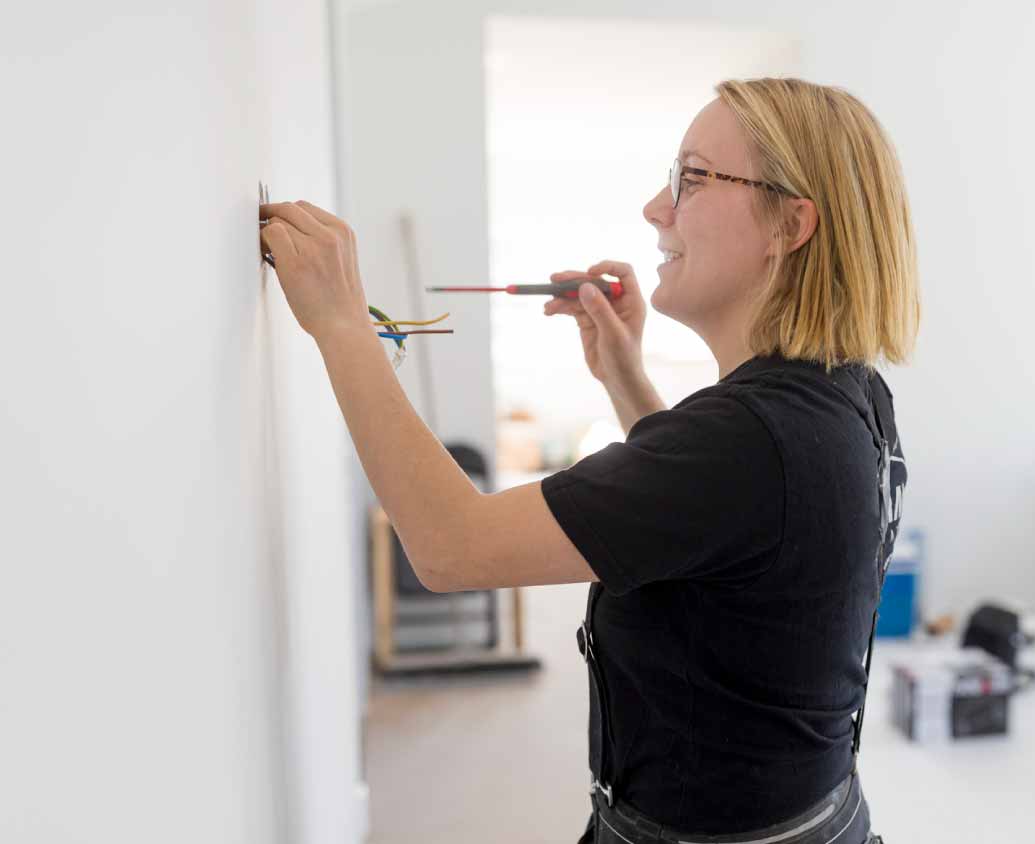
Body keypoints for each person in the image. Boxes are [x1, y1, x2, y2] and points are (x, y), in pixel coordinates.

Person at [260, 76, 919, 844]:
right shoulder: (848, 396)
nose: (656, 207)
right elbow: (729, 536)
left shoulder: (747, 439)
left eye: (693, 177)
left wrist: (343, 323)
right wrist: (624, 376)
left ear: (790, 224)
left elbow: (450, 546)